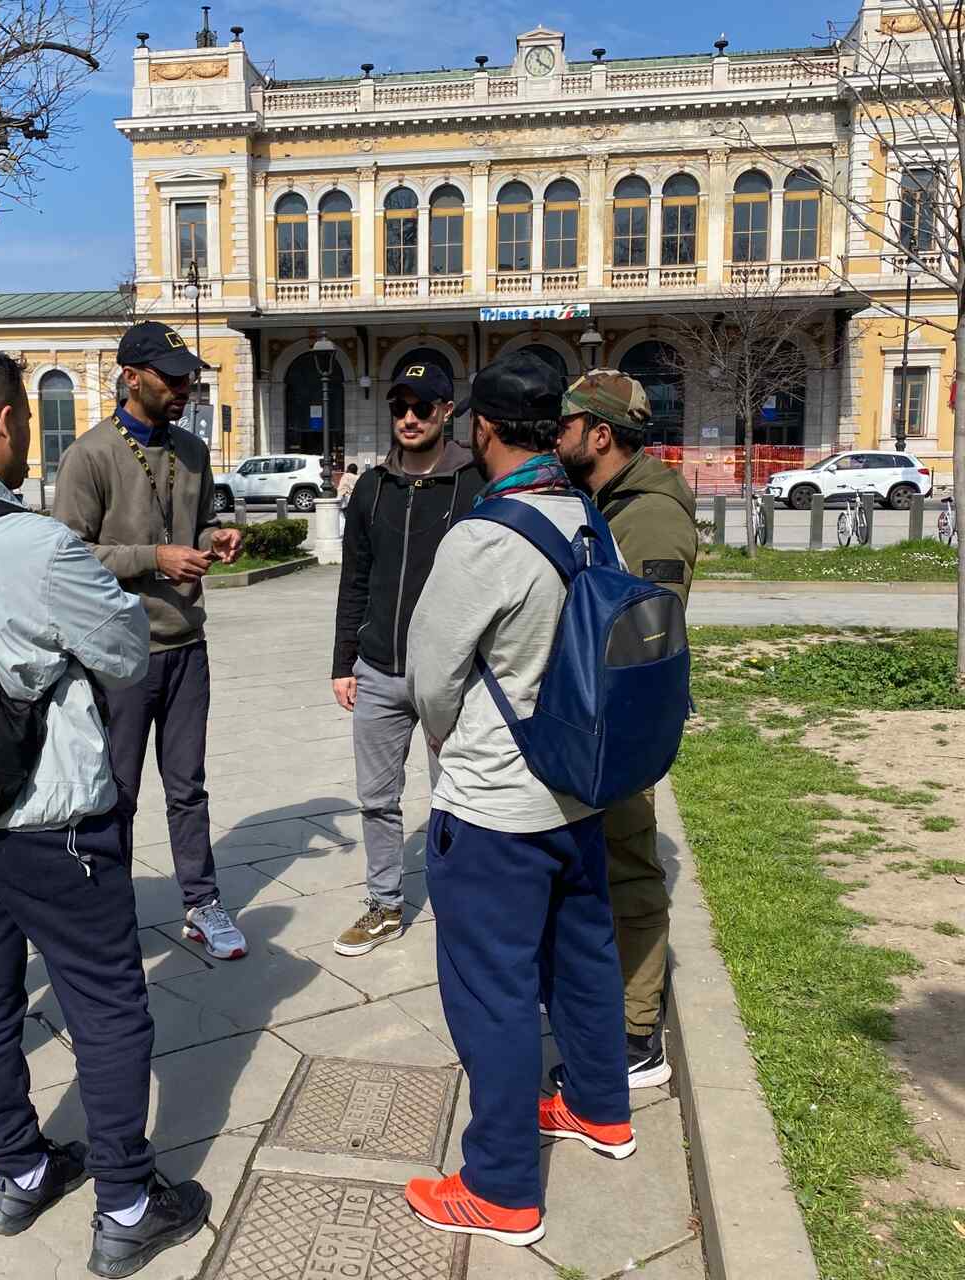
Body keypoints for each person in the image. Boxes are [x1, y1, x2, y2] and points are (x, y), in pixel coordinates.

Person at [0, 342, 210, 1274]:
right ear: (2, 423)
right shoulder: (33, 544)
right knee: (108, 1004)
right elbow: (124, 653)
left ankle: (17, 1174)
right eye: (24, 415)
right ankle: (127, 1202)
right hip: (47, 815)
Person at [402, 351, 635, 1247]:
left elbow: (431, 677)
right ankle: (599, 1107)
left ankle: (500, 1187)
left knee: (491, 988)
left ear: (483, 428)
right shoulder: (586, 519)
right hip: (578, 787)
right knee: (583, 953)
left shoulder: (484, 536)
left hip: (497, 803)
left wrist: (449, 744)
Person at [53, 321, 246, 960]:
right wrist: (154, 558)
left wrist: (219, 537)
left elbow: (205, 518)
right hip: (120, 654)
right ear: (131, 377)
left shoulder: (192, 450)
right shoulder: (90, 454)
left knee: (187, 784)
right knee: (119, 790)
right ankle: (111, 912)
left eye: (188, 375)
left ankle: (202, 902)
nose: (185, 386)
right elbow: (70, 555)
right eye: (171, 377)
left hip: (187, 644)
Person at [553, 369, 698, 1088]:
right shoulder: (601, 499)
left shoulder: (650, 516)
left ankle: (638, 1034)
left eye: (565, 427)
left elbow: (644, 634)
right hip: (587, 725)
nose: (555, 438)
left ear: (599, 435)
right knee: (595, 871)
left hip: (619, 731)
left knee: (631, 870)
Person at [330, 361, 483, 957]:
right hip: (376, 670)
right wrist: (343, 661)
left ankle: (460, 907)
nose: (410, 418)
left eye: (422, 407)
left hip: (449, 675)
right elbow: (355, 580)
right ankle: (384, 904)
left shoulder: (473, 484)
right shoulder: (372, 488)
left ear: (447, 411)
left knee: (455, 796)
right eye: (400, 408)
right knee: (376, 798)